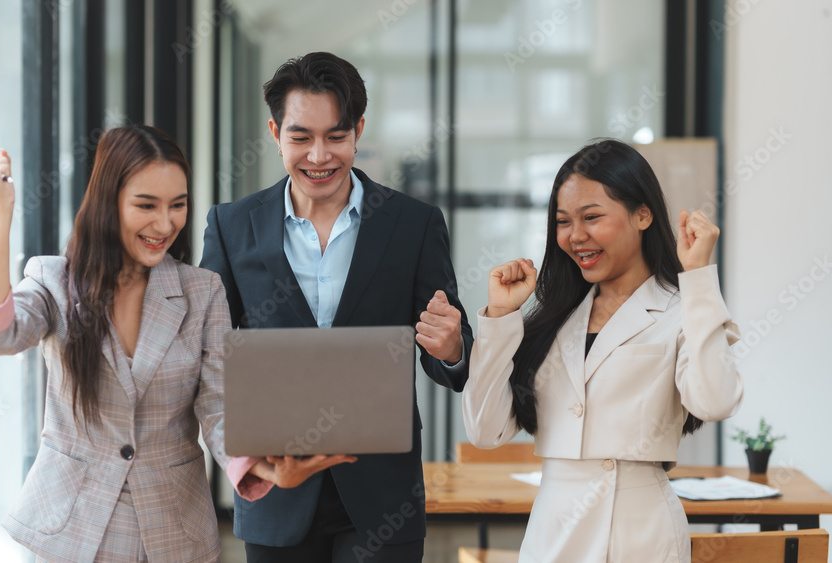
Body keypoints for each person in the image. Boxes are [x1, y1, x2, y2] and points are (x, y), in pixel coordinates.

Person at [200, 51, 475, 562]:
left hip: (382, 495)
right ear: (275, 132)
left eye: (336, 136)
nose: (319, 156)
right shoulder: (232, 226)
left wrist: (453, 346)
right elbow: (207, 352)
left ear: (359, 131)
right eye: (301, 137)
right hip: (275, 490)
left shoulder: (412, 224)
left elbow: (448, 359)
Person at [0, 125, 264, 563]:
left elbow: (217, 405)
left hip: (173, 529)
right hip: (75, 529)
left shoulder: (203, 292)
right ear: (109, 203)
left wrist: (256, 463)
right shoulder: (55, 282)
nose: (165, 225)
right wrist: (2, 213)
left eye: (177, 206)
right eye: (146, 205)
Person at [463, 139, 744, 562]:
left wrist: (699, 280)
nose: (576, 236)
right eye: (562, 221)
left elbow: (716, 400)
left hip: (639, 536)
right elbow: (485, 432)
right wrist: (501, 319)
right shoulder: (553, 317)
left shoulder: (682, 310)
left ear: (642, 213)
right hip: (552, 534)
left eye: (592, 217)